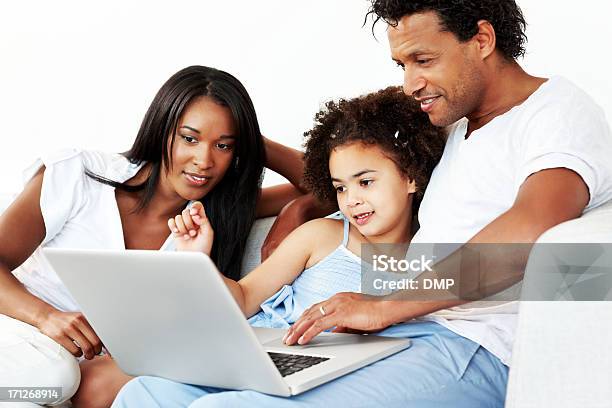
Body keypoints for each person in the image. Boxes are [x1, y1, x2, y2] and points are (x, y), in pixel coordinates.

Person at [110, 86, 507, 407]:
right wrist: (197, 259)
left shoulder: (431, 249)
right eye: (340, 188)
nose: (351, 200)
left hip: (334, 369)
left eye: (365, 182)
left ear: (411, 177)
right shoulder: (322, 235)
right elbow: (244, 297)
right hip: (266, 352)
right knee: (143, 392)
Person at [0, 65, 306, 408]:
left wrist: (250, 141)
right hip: (17, 332)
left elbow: (330, 187)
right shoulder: (79, 174)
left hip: (75, 378)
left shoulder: (212, 219)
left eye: (222, 145)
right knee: (54, 378)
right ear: (162, 130)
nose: (204, 160)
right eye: (190, 138)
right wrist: (45, 317)